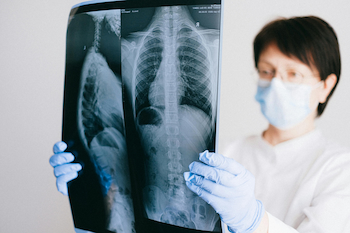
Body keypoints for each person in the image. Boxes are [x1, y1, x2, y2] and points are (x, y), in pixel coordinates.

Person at [50, 16, 350, 233]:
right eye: (267, 71)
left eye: (293, 74)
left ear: (326, 85)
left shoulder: (339, 168)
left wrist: (252, 220)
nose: (276, 85)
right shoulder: (223, 151)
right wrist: (94, 188)